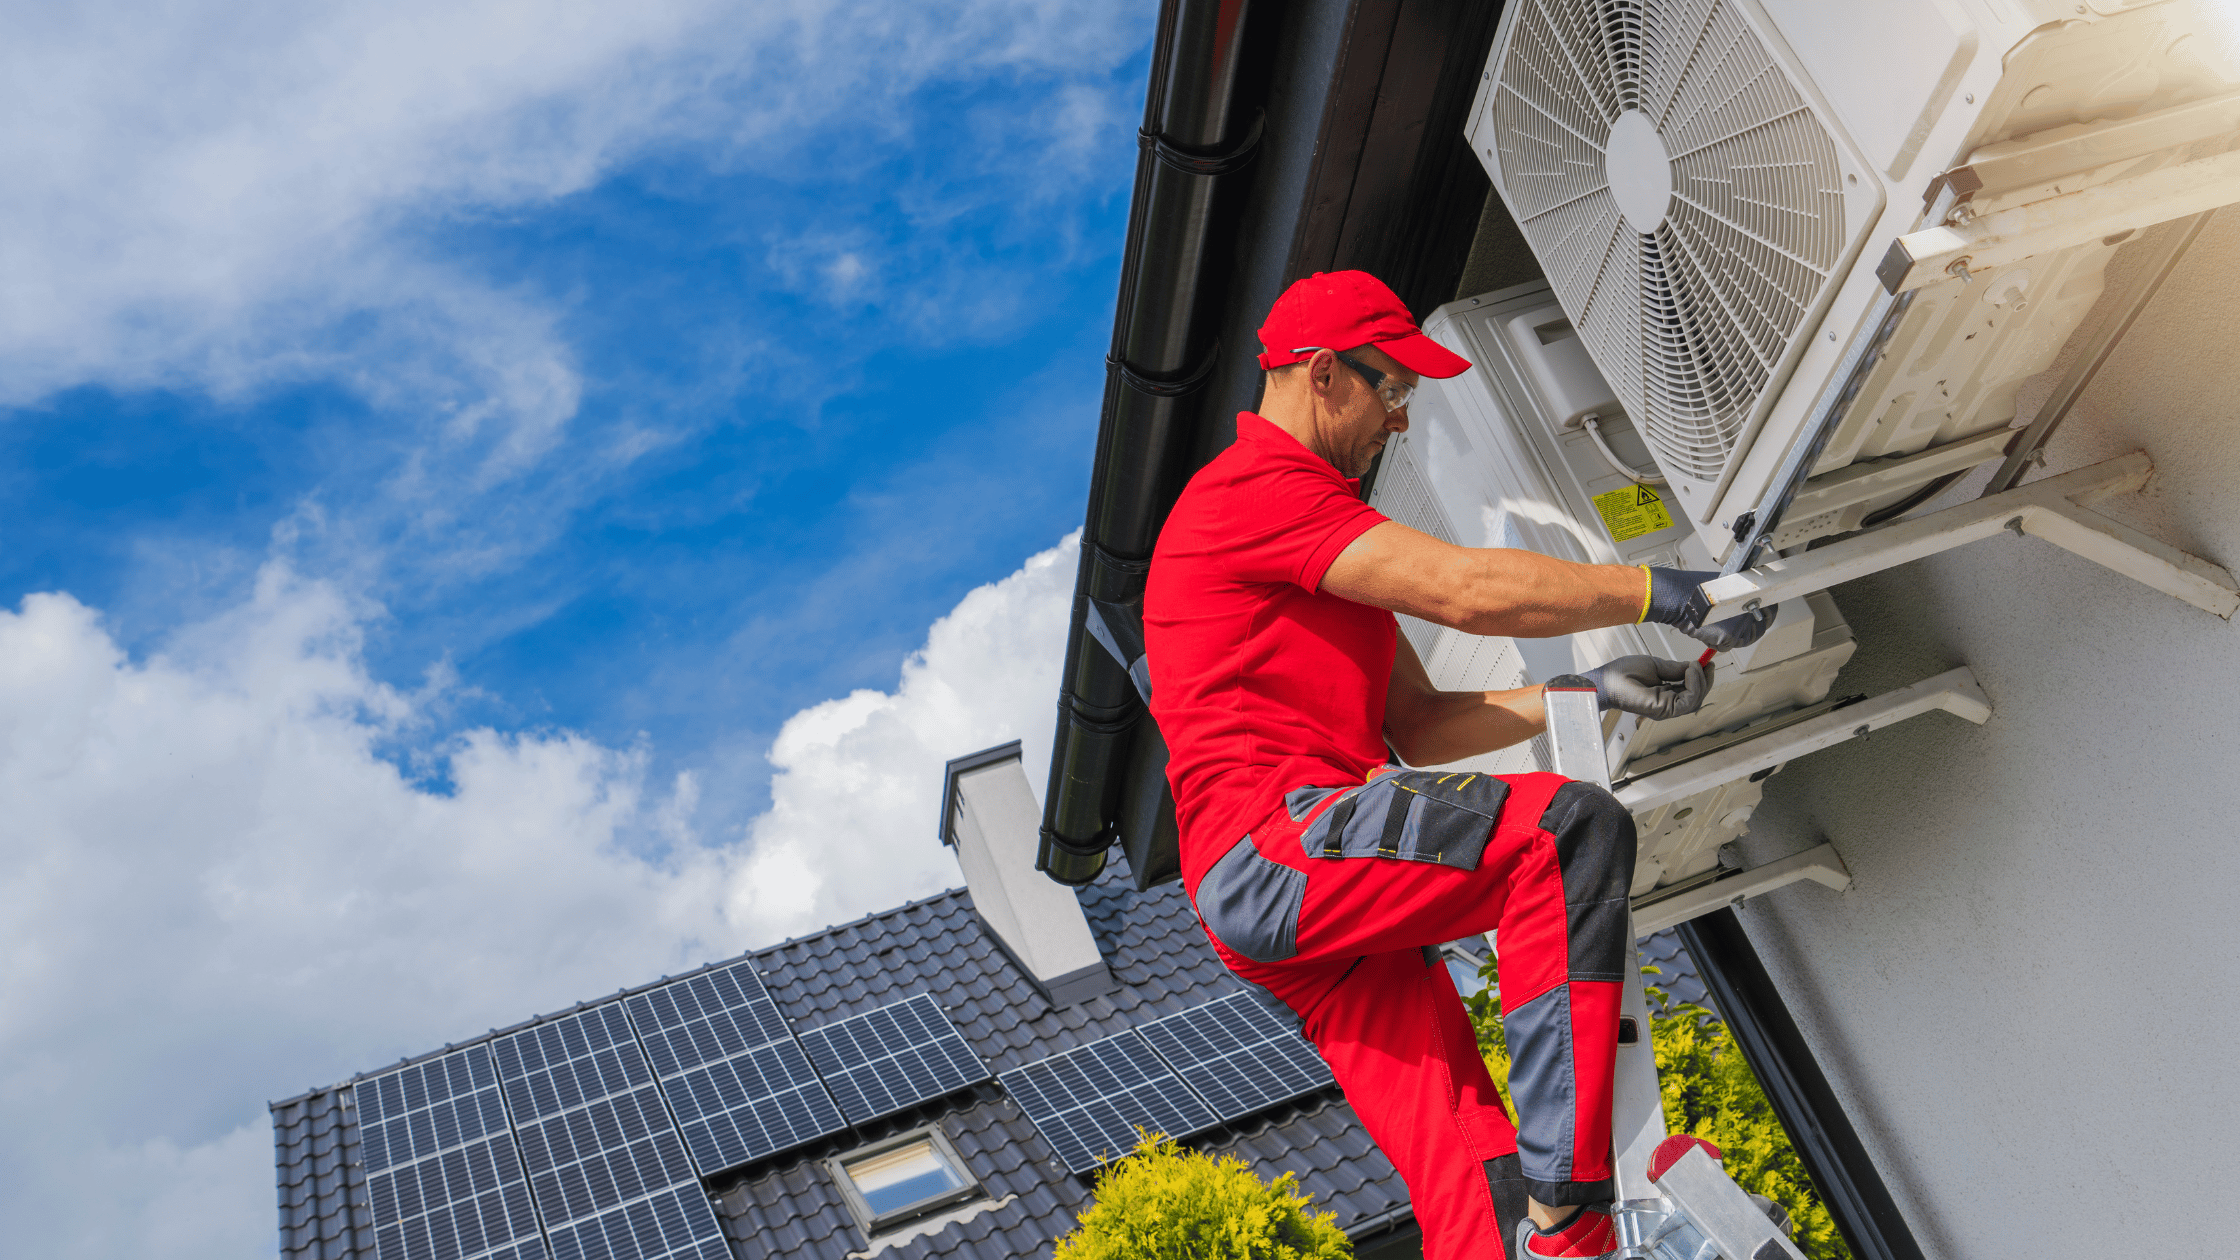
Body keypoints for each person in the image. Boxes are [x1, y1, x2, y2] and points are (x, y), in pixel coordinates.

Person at [1142, 271, 1769, 1260]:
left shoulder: (1317, 536)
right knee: (1564, 834)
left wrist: (1589, 694)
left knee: (1473, 1181)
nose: (1398, 420)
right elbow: (1467, 591)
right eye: (1390, 389)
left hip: (1293, 895)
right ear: (1320, 375)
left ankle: (1528, 1222)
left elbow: (1423, 725)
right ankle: (1569, 1215)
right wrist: (1658, 588)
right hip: (1283, 848)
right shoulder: (1253, 494)